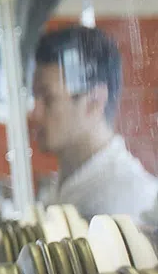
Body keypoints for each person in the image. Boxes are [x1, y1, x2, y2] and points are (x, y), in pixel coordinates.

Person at [31, 25, 158, 220]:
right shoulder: (66, 186)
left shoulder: (129, 202)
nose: (35, 113)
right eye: (35, 97)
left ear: (94, 102)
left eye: (48, 99)